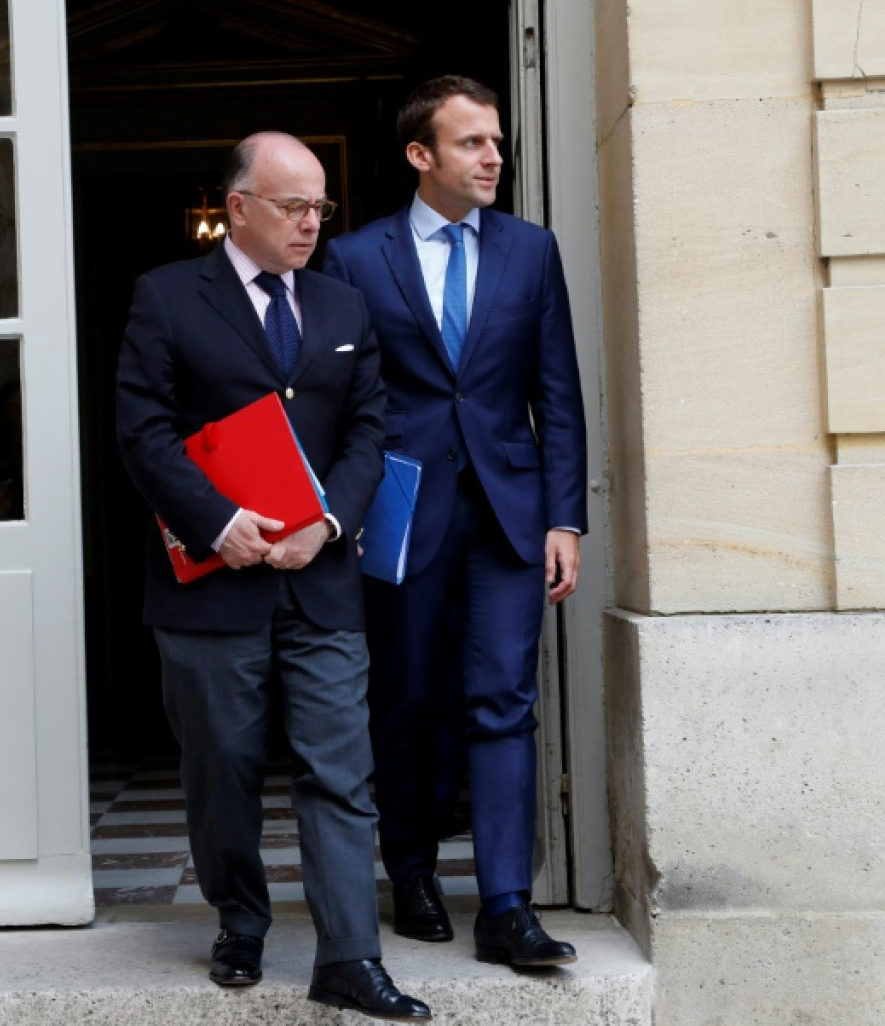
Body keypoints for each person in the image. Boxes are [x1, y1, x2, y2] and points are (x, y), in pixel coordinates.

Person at [116, 132, 430, 1022]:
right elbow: (141, 432)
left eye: (320, 206)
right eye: (293, 205)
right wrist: (218, 522)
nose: (310, 222)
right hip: (211, 583)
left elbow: (370, 428)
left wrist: (330, 521)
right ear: (239, 206)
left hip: (321, 579)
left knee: (342, 771)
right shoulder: (168, 297)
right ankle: (241, 920)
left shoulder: (343, 306)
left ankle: (349, 957)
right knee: (224, 768)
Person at [324, 76, 588, 968]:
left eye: (497, 142)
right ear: (419, 155)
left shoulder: (530, 251)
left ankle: (506, 907)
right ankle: (413, 873)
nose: (493, 158)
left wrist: (566, 518)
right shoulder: (356, 258)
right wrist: (345, 508)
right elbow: (341, 402)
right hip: (400, 512)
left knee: (504, 702)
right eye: (472, 142)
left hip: (512, 513)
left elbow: (557, 392)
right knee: (403, 701)